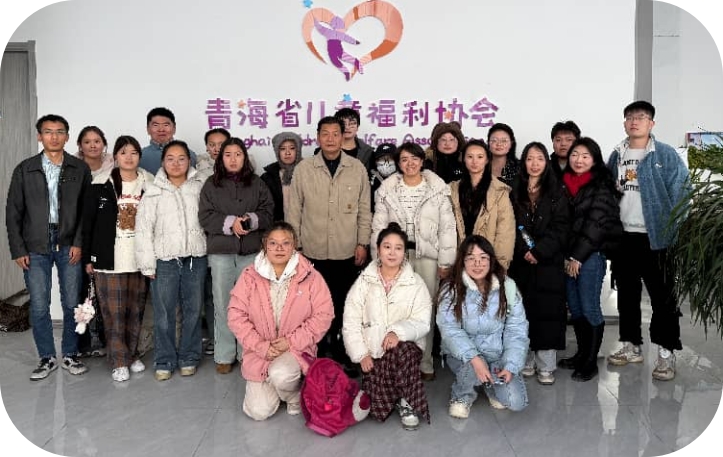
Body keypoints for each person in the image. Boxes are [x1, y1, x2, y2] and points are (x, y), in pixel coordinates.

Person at [605, 101, 690, 381]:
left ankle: (666, 352)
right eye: (629, 117)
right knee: (626, 295)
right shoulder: (617, 154)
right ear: (624, 123)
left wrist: (672, 229)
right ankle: (632, 345)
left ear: (651, 123)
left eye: (640, 117)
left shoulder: (664, 154)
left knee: (663, 299)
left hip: (656, 238)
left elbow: (682, 192)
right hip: (624, 237)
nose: (634, 121)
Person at [6, 114, 92, 380]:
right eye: (48, 131)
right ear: (39, 136)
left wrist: (78, 242)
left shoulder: (79, 168)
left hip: (68, 242)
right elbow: (13, 212)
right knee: (39, 305)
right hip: (35, 244)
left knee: (72, 303)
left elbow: (85, 211)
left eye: (59, 132)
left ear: (67, 136)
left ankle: (70, 354)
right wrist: (18, 249)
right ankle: (47, 357)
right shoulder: (25, 169)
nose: (54, 137)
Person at [286, 116, 372, 375]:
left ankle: (345, 350)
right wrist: (296, 247)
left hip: (346, 249)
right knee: (315, 305)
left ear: (343, 136)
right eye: (326, 133)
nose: (331, 139)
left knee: (345, 302)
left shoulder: (356, 168)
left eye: (336, 133)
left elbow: (364, 210)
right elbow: (294, 210)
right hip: (312, 250)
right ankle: (321, 351)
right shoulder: (304, 169)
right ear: (318, 137)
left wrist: (362, 242)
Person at [228, 222, 333, 420]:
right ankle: (278, 386)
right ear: (265, 245)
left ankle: (293, 395)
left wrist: (290, 342)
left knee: (281, 375)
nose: (279, 248)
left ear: (294, 246)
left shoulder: (310, 276)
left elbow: (324, 315)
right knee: (258, 412)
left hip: (295, 350)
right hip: (259, 353)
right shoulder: (249, 276)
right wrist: (260, 346)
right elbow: (235, 316)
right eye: (273, 243)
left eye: (285, 243)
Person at [371, 142, 456, 381]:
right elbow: (378, 227)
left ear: (422, 161)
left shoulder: (437, 188)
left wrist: (446, 262)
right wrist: (377, 260)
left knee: (425, 309)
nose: (410, 164)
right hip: (395, 258)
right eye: (404, 159)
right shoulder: (387, 190)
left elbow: (447, 228)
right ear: (398, 163)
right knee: (395, 308)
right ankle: (398, 362)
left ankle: (425, 362)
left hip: (427, 256)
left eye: (415, 159)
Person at [343, 223, 432, 430]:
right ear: (378, 249)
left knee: (403, 351)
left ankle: (407, 400)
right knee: (377, 411)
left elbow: (422, 321)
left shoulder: (416, 282)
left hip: (404, 350)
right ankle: (397, 391)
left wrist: (397, 333)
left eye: (398, 248)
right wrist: (361, 354)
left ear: (405, 253)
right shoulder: (364, 281)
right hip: (374, 352)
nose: (392, 253)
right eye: (387, 246)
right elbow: (351, 320)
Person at [199, 137, 274, 374]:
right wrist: (231, 223)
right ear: (221, 158)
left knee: (250, 306)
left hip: (250, 252)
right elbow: (205, 216)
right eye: (228, 155)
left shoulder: (257, 183)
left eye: (238, 154)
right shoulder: (211, 184)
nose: (233, 159)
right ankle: (224, 354)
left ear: (245, 157)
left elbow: (268, 212)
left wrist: (250, 221)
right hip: (221, 253)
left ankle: (247, 353)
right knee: (223, 304)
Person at [82, 135, 154, 382]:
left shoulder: (150, 183)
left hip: (140, 258)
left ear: (139, 156)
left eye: (133, 152)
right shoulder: (101, 183)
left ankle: (131, 355)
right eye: (123, 152)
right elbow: (88, 224)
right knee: (113, 314)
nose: (129, 157)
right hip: (109, 259)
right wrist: (88, 258)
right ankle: (118, 361)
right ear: (115, 157)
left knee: (135, 310)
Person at [135, 140, 207, 381]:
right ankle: (164, 359)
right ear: (162, 162)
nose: (176, 163)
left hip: (195, 258)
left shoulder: (200, 186)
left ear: (190, 161)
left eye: (181, 158)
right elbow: (143, 230)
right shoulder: (153, 190)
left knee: (193, 310)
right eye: (170, 159)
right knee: (164, 313)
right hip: (164, 260)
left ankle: (189, 357)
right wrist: (147, 263)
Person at [437, 235, 529, 418]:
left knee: (515, 401)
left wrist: (510, 365)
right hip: (463, 357)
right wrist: (475, 358)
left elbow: (516, 330)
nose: (477, 264)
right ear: (462, 261)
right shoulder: (451, 289)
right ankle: (462, 396)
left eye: (483, 258)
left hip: (496, 355)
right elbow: (449, 329)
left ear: (491, 260)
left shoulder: (507, 287)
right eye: (471, 258)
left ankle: (490, 385)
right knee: (472, 368)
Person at [508, 142, 570, 385]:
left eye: (540, 158)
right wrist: (525, 250)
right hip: (521, 262)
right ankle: (526, 359)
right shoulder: (514, 191)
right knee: (522, 312)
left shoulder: (557, 191)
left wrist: (540, 251)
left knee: (548, 313)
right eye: (530, 158)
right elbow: (509, 225)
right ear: (523, 162)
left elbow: (562, 227)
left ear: (546, 162)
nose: (534, 164)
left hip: (548, 263)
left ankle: (546, 365)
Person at [561, 137, 622, 382]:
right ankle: (581, 353)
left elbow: (596, 224)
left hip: (590, 256)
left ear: (594, 160)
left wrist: (577, 257)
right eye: (575, 155)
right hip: (568, 257)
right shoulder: (564, 183)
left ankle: (590, 361)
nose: (579, 160)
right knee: (575, 308)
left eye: (585, 156)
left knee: (589, 307)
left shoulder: (601, 186)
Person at [75, 125, 113, 358]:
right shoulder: (72, 168)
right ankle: (83, 343)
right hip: (77, 235)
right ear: (80, 145)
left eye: (97, 141)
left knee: (104, 293)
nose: (92, 145)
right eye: (87, 141)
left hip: (104, 237)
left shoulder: (113, 168)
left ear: (103, 144)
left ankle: (106, 340)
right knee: (81, 291)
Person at [450, 139, 515, 269]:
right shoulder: (452, 190)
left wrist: (500, 265)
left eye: (480, 157)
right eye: (470, 157)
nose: (475, 161)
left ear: (486, 160)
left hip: (487, 261)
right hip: (458, 259)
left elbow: (505, 232)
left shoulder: (499, 191)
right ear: (463, 159)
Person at [196, 127, 231, 356]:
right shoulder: (197, 173)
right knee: (211, 294)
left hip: (233, 242)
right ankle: (215, 337)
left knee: (233, 294)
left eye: (221, 144)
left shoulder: (242, 169)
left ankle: (236, 339)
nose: (216, 149)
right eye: (212, 144)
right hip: (206, 240)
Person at [139, 107, 197, 174]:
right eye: (155, 125)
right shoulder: (139, 156)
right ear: (148, 129)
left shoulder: (189, 155)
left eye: (166, 125)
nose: (161, 129)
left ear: (174, 128)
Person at [261, 132, 303, 222]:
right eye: (282, 149)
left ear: (298, 150)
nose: (287, 153)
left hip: (306, 227)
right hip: (279, 227)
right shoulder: (268, 177)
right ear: (277, 152)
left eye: (292, 148)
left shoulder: (309, 172)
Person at [369, 143, 397, 210]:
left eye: (390, 159)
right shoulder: (368, 178)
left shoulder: (403, 178)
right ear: (375, 161)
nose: (386, 163)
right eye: (382, 159)